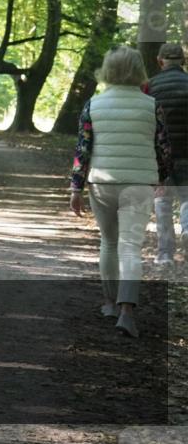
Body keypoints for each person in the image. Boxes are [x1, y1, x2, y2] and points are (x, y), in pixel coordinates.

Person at [69, 46, 172, 338]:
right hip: (139, 182)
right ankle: (127, 312)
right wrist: (161, 176)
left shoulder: (93, 104)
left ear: (108, 70)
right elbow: (163, 149)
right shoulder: (152, 105)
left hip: (101, 182)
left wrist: (76, 186)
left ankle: (109, 303)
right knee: (130, 245)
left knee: (109, 242)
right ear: (139, 71)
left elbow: (82, 149)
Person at [145, 42, 187, 266]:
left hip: (159, 155)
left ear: (160, 61)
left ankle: (165, 254)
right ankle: (187, 231)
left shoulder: (149, 87)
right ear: (183, 61)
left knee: (162, 203)